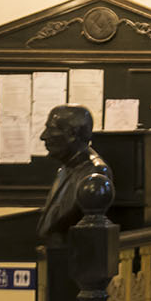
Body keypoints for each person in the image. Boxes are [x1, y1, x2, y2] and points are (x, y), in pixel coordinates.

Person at [35, 105, 112, 246]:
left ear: (72, 134)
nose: (43, 136)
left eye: (51, 129)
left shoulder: (94, 174)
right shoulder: (66, 168)